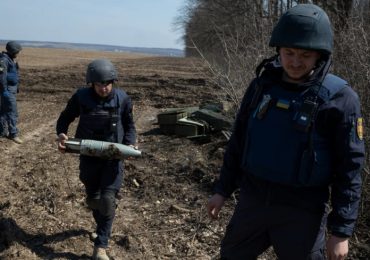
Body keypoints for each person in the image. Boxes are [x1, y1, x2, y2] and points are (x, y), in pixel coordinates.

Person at [207, 4, 365, 260]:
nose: (294, 62)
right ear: (278, 50)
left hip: (303, 211)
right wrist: (222, 189)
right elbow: (239, 141)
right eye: (288, 52)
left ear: (319, 56)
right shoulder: (261, 86)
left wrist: (341, 232)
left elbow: (350, 168)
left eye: (305, 55)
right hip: (253, 201)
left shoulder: (340, 99)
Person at [56, 59, 137, 260]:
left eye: (108, 83)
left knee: (108, 200)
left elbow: (129, 125)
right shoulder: (81, 98)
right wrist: (62, 134)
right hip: (89, 156)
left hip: (113, 157)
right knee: (94, 200)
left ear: (113, 82)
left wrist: (130, 144)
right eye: (99, 84)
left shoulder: (122, 98)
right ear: (91, 83)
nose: (104, 88)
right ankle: (101, 225)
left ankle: (100, 246)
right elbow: (65, 118)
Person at [0, 41, 23, 144]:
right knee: (12, 112)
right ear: (13, 51)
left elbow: (14, 74)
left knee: (4, 111)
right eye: (17, 51)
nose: (18, 53)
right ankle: (13, 134)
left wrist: (16, 87)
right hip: (8, 90)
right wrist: (4, 90)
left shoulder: (11, 59)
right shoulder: (4, 60)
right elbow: (2, 76)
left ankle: (2, 131)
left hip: (11, 89)